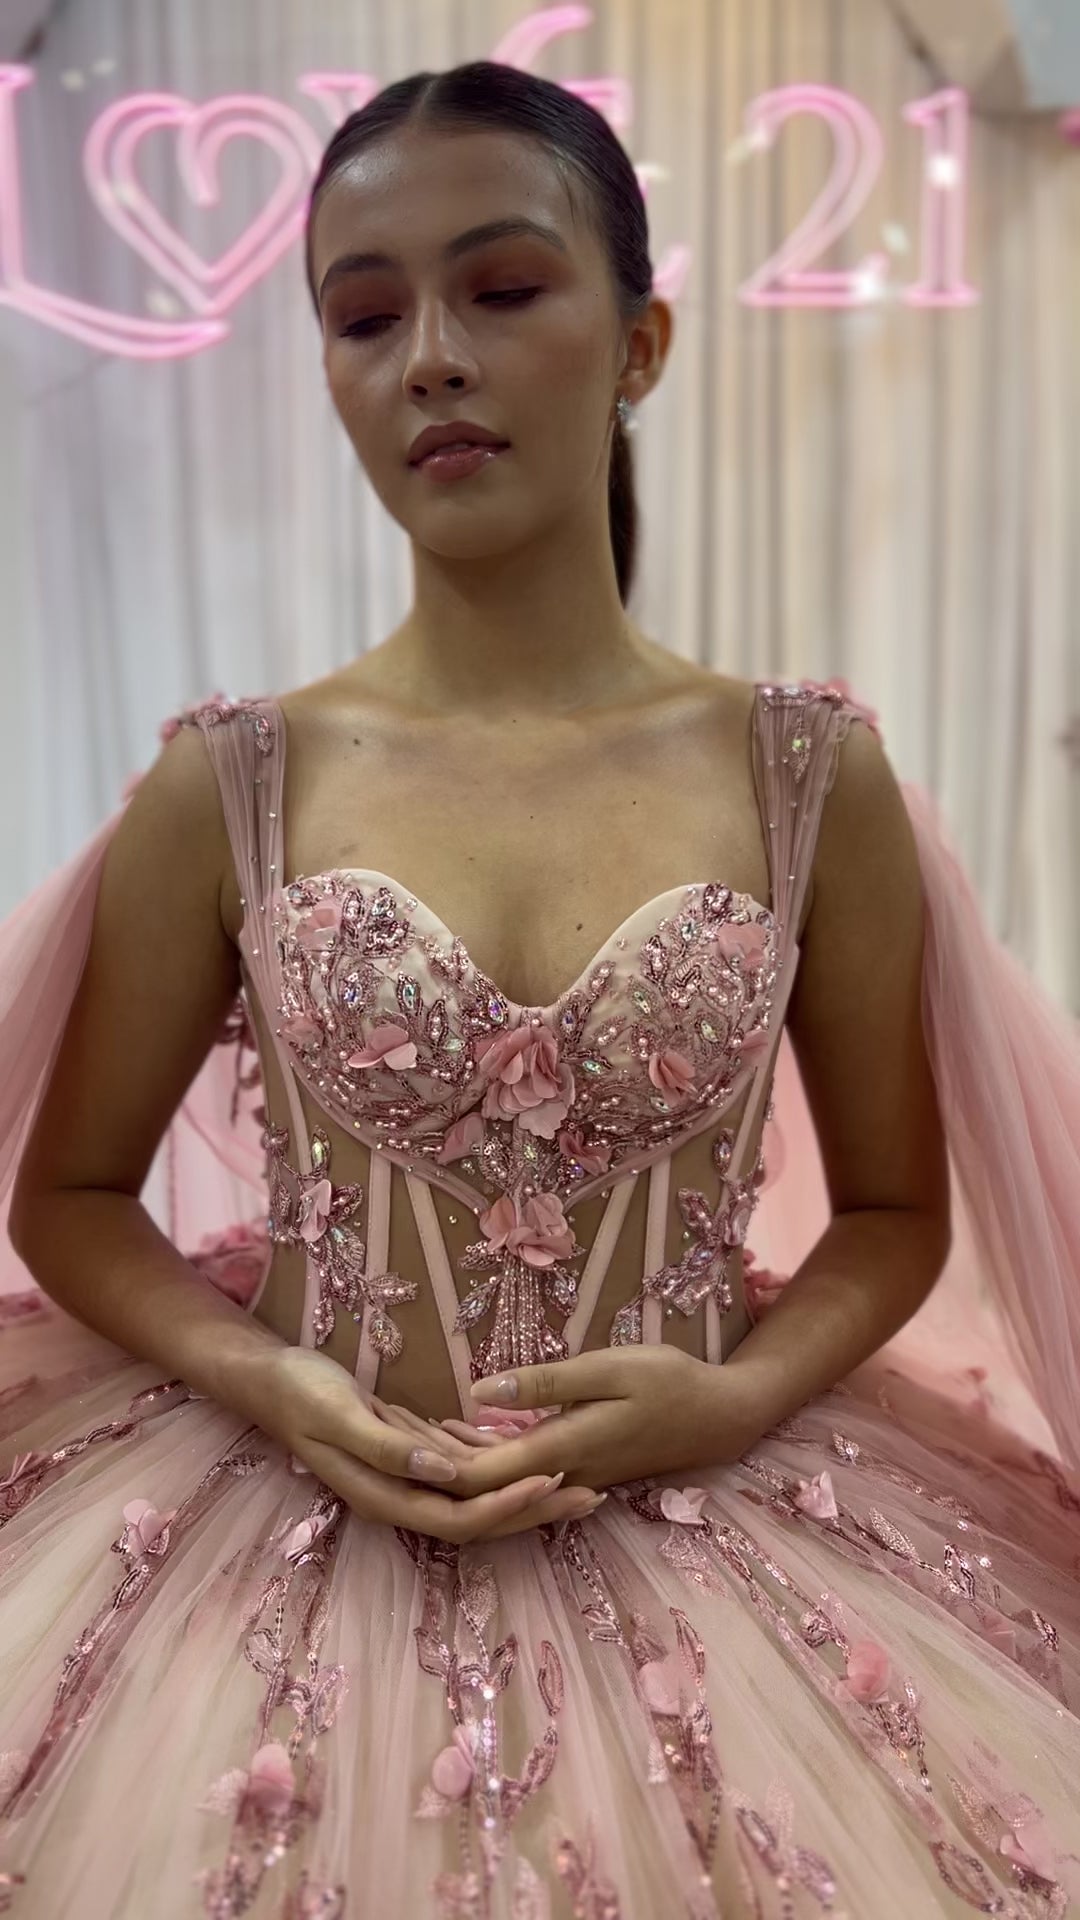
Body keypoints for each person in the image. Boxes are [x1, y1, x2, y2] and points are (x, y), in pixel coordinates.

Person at [0, 59, 1078, 1920]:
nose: (431, 359)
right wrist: (271, 1377)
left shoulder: (806, 776)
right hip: (273, 1531)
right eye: (365, 317)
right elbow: (74, 1194)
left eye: (502, 288)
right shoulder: (232, 782)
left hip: (722, 1539)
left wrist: (736, 1398)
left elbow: (898, 1212)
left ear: (639, 342)